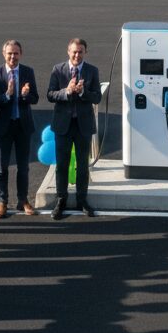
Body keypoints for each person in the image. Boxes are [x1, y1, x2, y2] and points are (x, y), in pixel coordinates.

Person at [48, 38, 103, 220]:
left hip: (83, 126)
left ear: (85, 52)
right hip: (63, 125)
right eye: (74, 51)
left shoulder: (92, 71)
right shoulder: (58, 69)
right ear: (68, 51)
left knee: (82, 166)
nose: (77, 55)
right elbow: (50, 94)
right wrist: (67, 91)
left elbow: (97, 98)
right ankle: (61, 200)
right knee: (61, 166)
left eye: (80, 51)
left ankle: (81, 200)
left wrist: (81, 92)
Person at [0, 40, 39, 218]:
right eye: (9, 53)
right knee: (2, 168)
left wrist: (25, 95)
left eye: (16, 53)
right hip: (3, 127)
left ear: (20, 54)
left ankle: (23, 200)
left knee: (23, 167)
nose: (12, 57)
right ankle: (3, 201)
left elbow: (35, 98)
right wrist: (7, 95)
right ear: (4, 54)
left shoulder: (27, 72)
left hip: (22, 126)